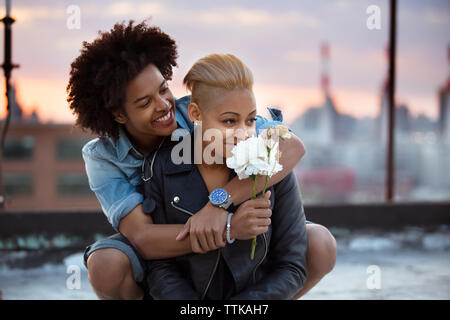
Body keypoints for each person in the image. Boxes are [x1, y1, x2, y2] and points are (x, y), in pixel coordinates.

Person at [67, 20, 336, 300]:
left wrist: (219, 204)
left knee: (319, 243)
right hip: (163, 251)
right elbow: (144, 239)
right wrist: (228, 228)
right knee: (106, 264)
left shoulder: (203, 114)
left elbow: (289, 147)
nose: (163, 106)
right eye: (145, 103)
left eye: (163, 90)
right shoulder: (103, 158)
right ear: (120, 115)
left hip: (225, 240)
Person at [145, 53, 307, 299]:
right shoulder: (161, 168)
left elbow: (292, 266)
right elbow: (159, 267)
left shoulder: (271, 165)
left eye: (251, 120)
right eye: (229, 121)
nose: (244, 134)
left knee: (322, 243)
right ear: (196, 114)